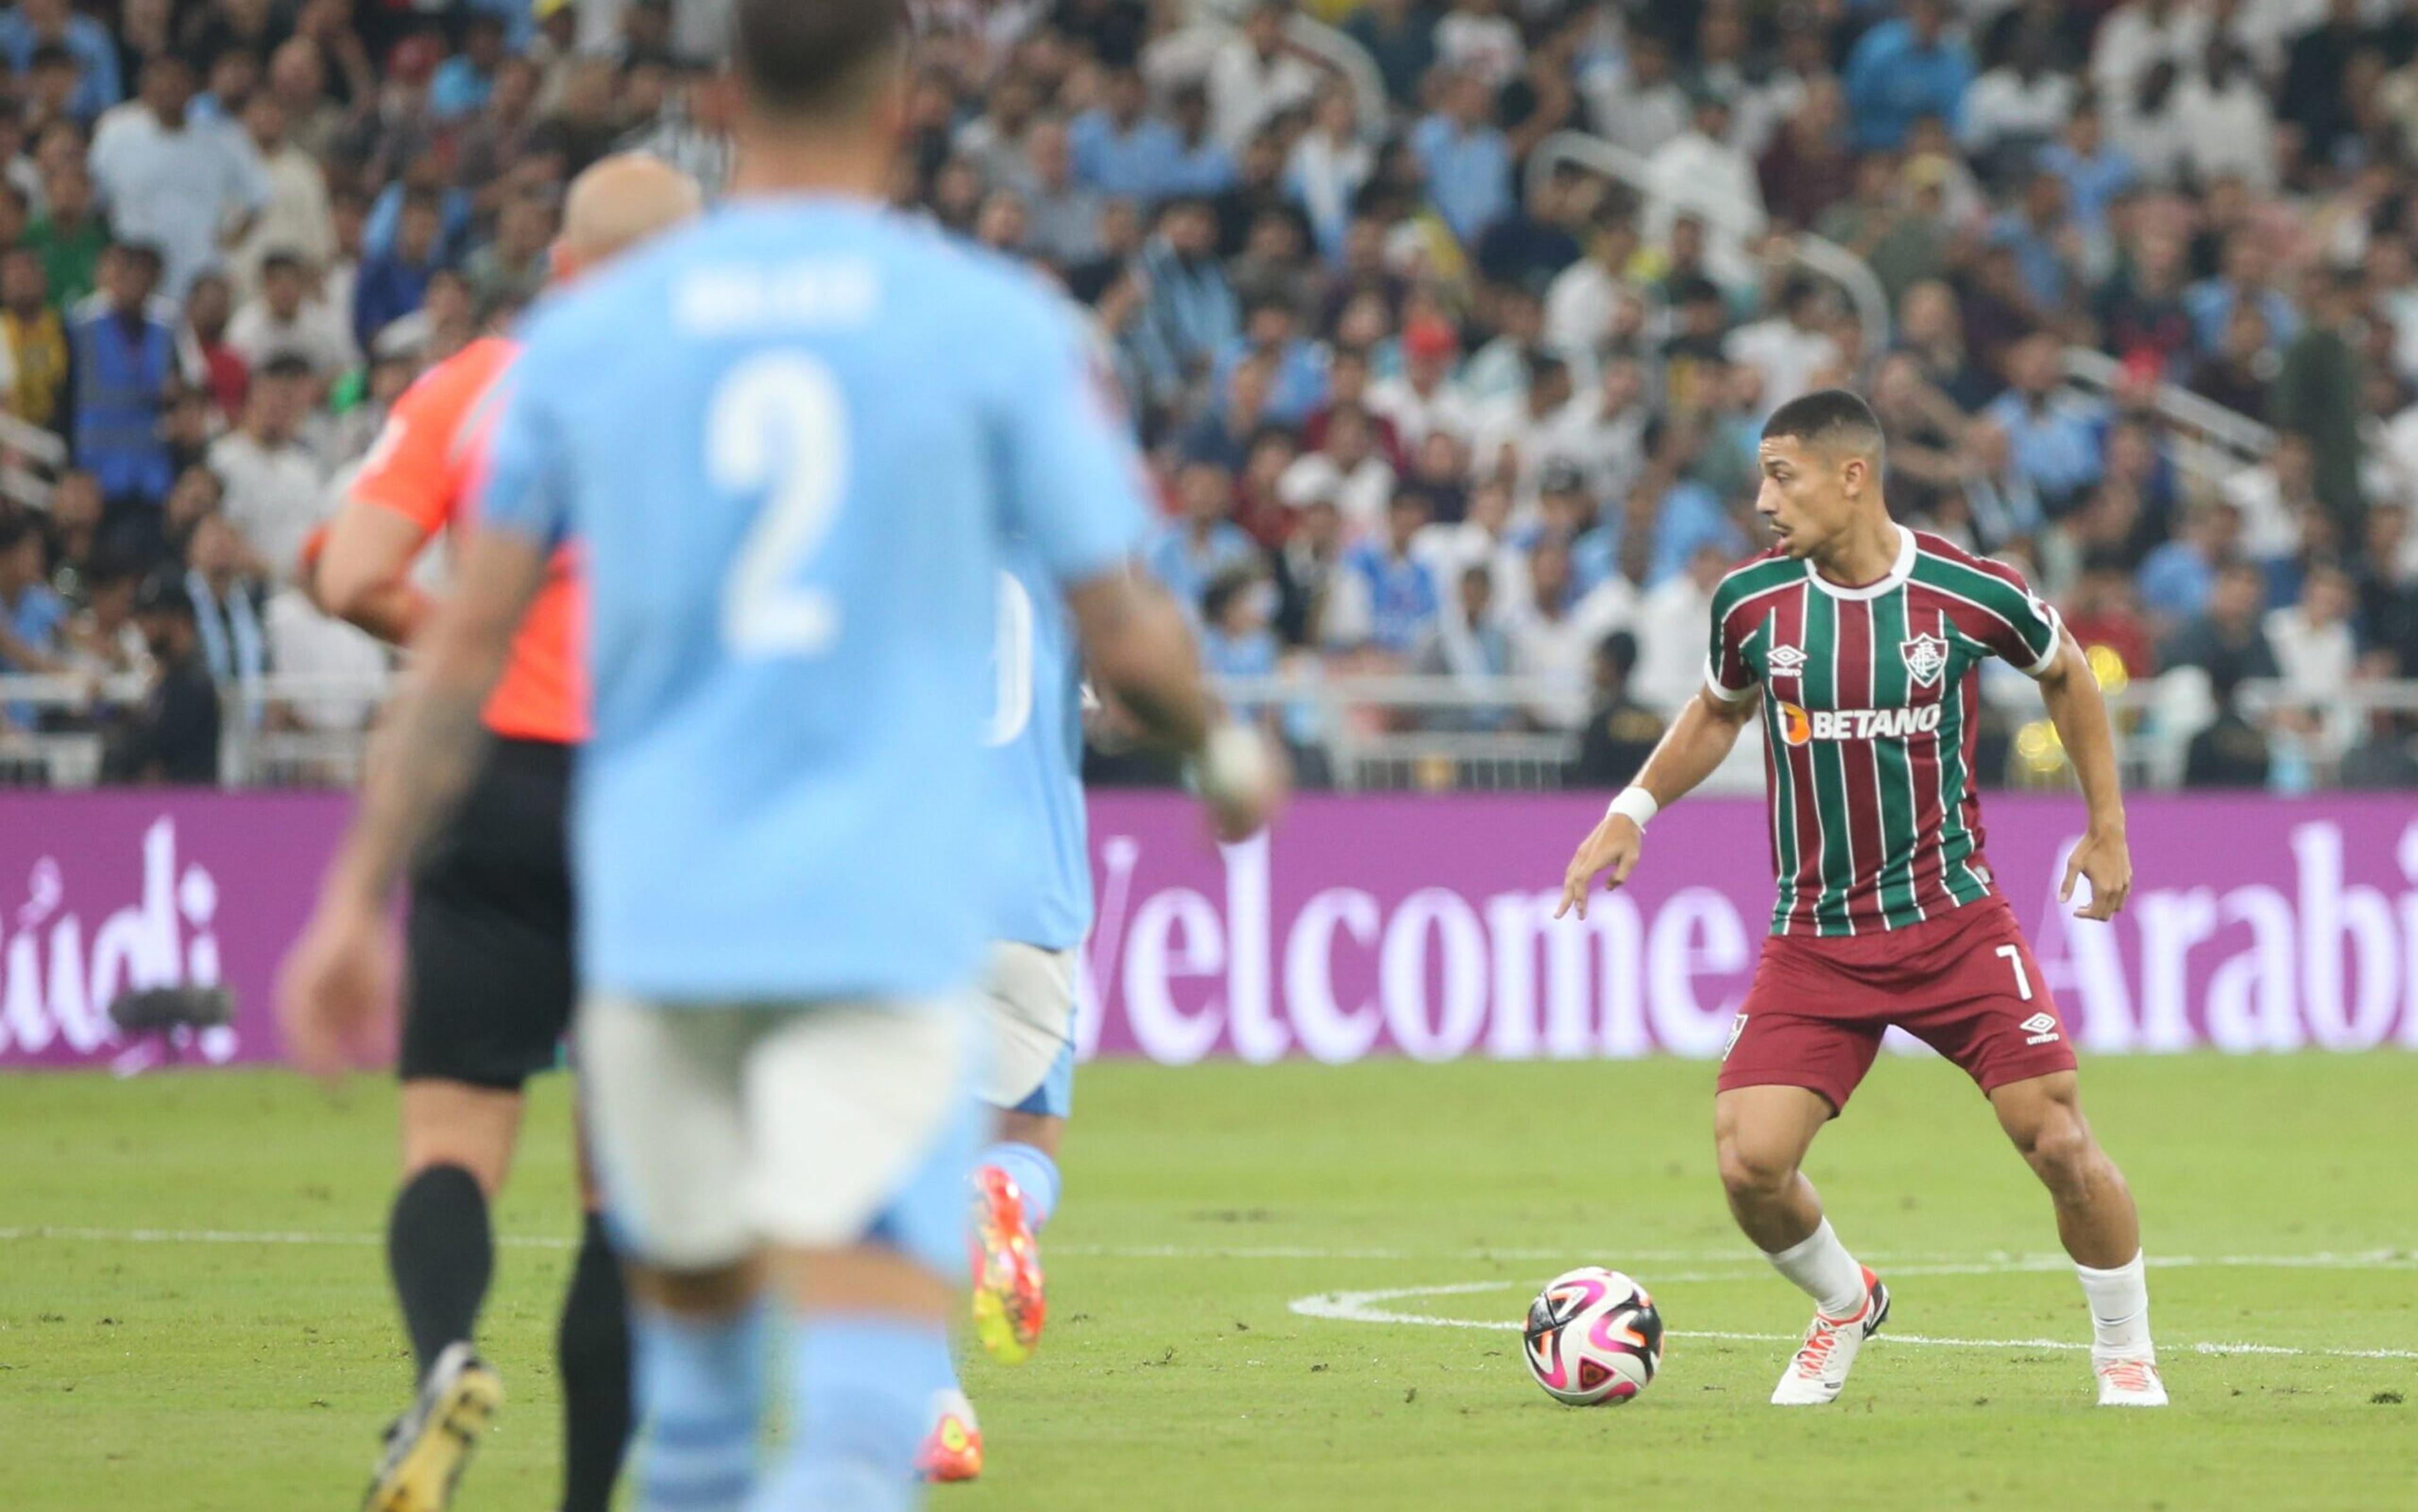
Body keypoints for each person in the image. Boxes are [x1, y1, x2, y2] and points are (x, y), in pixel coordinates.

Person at [278, 13, 1283, 1512]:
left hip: (665, 912)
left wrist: (359, 893)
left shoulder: (589, 342)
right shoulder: (986, 327)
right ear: (901, 108)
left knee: (694, 1406)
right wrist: (1224, 748)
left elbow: (463, 648)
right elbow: (1126, 631)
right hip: (869, 910)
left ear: (731, 103)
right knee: (863, 1409)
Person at [1555, 389, 2164, 1410]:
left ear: (1853, 475)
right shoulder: (1753, 605)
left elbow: (2069, 677)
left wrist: (2107, 824)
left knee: (2056, 1136)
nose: (1761, 500)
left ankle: (2126, 1351)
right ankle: (1846, 1299)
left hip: (1954, 921)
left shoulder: (1969, 592)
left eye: (1780, 475)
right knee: (1750, 1164)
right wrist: (1634, 807)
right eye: (1760, 477)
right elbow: (1716, 708)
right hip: (1817, 939)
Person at [304, 155, 706, 1512]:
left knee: (453, 1140)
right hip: (656, 805)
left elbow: (352, 572)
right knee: (623, 1195)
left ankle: (446, 1357)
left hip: (493, 787)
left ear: (559, 267)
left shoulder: (473, 385)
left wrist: (470, 645)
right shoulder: (743, 406)